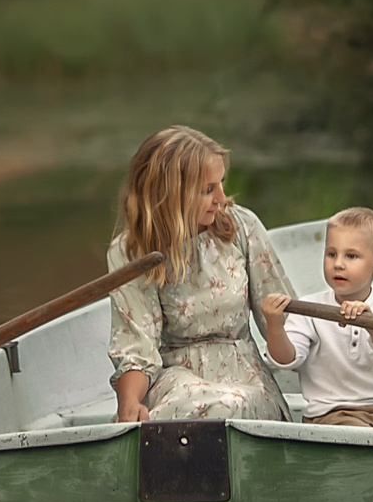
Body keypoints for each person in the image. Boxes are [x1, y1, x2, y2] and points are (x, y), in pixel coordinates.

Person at [106, 126, 290, 424]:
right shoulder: (131, 252)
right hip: (174, 378)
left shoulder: (242, 226)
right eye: (207, 190)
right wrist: (128, 403)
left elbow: (290, 325)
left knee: (233, 403)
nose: (222, 198)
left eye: (221, 184)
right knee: (185, 404)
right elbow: (136, 348)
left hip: (245, 376)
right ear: (169, 196)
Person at [254, 207, 373, 432]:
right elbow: (286, 360)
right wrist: (275, 325)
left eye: (351, 256)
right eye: (331, 254)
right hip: (333, 411)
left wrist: (370, 322)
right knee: (357, 434)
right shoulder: (310, 307)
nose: (338, 264)